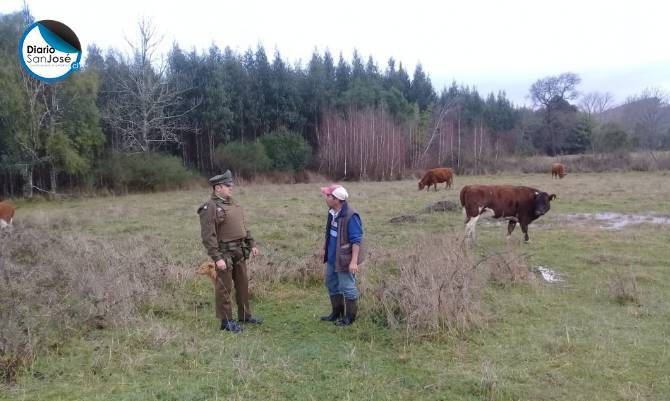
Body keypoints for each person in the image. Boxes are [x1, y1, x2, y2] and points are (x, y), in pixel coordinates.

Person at [198, 170, 261, 333]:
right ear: (218, 187)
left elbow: (242, 227)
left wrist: (251, 243)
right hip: (224, 254)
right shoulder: (209, 207)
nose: (231, 188)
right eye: (228, 185)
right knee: (224, 288)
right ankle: (226, 322)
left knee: (242, 285)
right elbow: (208, 236)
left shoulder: (233, 204)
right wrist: (216, 257)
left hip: (240, 251)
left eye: (231, 185)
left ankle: (245, 316)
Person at [319, 184, 365, 326]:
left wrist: (353, 261)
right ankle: (337, 312)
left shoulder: (351, 215)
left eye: (329, 196)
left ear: (337, 199)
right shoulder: (332, 211)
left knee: (347, 287)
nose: (326, 198)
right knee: (331, 283)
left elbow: (356, 240)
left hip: (345, 258)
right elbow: (331, 234)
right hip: (333, 257)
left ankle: (350, 317)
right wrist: (325, 248)